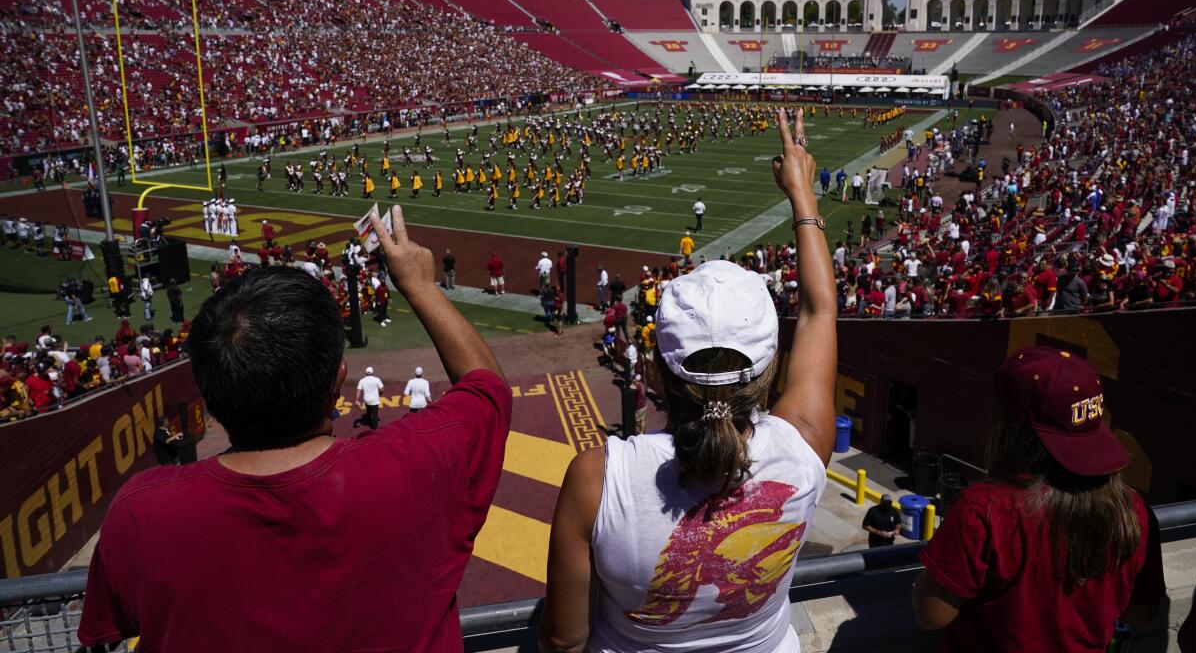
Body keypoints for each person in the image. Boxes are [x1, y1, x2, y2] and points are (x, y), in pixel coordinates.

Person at [79, 208, 511, 652]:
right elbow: (488, 388)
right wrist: (420, 285)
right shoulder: (416, 463)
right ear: (337, 378)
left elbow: (116, 623)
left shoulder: (141, 510)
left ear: (208, 394)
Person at [540, 107, 837, 652]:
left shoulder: (597, 479)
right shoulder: (805, 448)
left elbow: (564, 639)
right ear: (772, 370)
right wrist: (803, 196)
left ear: (655, 372)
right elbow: (820, 311)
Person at [913, 347, 1166, 651]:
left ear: (1008, 427)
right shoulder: (1135, 511)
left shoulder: (983, 509)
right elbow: (1142, 613)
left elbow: (931, 615)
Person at [352, 365, 384, 430]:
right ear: (372, 372)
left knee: (368, 412)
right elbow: (381, 389)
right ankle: (374, 428)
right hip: (375, 400)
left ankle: (369, 423)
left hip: (367, 399)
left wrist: (357, 400)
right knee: (374, 415)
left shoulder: (362, 380)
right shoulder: (376, 379)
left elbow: (358, 390)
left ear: (366, 373)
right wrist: (380, 393)